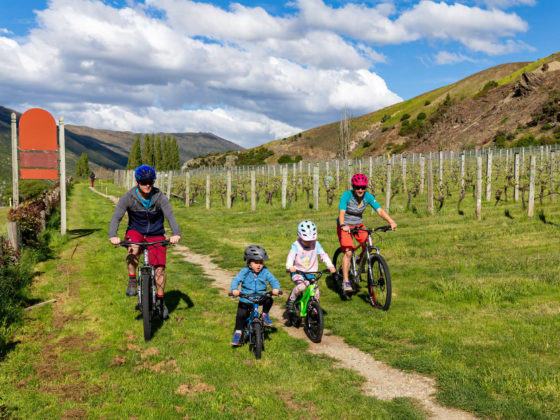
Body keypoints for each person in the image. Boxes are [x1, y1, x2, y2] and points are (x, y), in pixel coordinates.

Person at [109, 164, 181, 320]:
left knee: (160, 270)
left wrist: (176, 233)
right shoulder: (128, 197)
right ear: (137, 182)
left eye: (150, 182)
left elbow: (170, 215)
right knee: (132, 249)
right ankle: (132, 279)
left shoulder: (159, 196)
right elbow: (116, 217)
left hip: (156, 234)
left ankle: (161, 301)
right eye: (143, 182)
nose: (147, 185)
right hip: (136, 231)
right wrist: (112, 235)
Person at [338, 173, 397, 292]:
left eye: (363, 187)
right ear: (353, 187)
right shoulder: (346, 195)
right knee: (348, 252)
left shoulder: (368, 197)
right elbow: (342, 212)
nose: (360, 190)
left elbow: (379, 210)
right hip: (345, 225)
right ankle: (345, 281)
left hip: (358, 225)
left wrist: (391, 221)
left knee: (369, 244)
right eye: (357, 187)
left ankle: (360, 259)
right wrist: (343, 225)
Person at [230, 245, 280, 346]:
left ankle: (264, 314)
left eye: (261, 263)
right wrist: (234, 289)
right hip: (246, 299)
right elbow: (236, 280)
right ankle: (238, 332)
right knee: (241, 314)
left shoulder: (265, 271)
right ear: (249, 263)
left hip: (260, 297)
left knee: (269, 300)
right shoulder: (245, 271)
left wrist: (275, 288)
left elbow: (273, 280)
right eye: (255, 263)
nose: (259, 265)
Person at [285, 220, 336, 313]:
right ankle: (291, 301)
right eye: (306, 240)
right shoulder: (296, 245)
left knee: (315, 290)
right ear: (300, 236)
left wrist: (330, 265)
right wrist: (290, 266)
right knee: (301, 287)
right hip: (298, 272)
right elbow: (291, 256)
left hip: (311, 273)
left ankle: (314, 308)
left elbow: (323, 255)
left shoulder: (316, 244)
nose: (309, 242)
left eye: (311, 240)